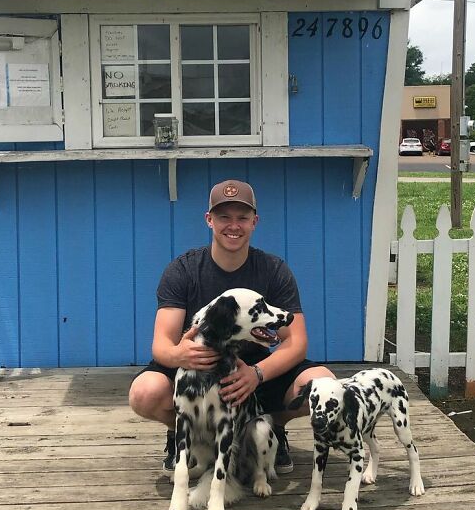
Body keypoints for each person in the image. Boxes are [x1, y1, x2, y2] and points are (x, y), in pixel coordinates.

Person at [128, 178, 335, 474]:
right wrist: (179, 356)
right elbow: (161, 343)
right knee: (144, 392)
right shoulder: (183, 270)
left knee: (321, 382)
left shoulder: (273, 270)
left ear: (255, 222)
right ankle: (183, 435)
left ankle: (272, 430)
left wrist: (257, 374)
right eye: (224, 217)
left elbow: (296, 342)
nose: (233, 226)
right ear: (209, 220)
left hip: (257, 371)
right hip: (200, 371)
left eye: (242, 217)